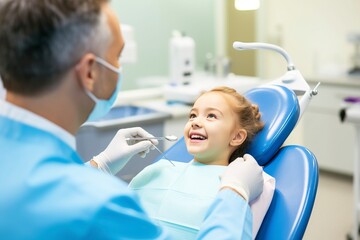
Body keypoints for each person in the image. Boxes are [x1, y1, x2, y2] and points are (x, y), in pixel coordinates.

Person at [0, 0, 264, 239]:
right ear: (91, 72)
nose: (196, 121)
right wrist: (235, 194)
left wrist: (97, 165)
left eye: (211, 116)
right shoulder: (99, 206)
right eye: (118, 56)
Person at [129, 86, 275, 239]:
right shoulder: (159, 170)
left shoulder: (239, 185)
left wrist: (237, 188)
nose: (195, 122)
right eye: (193, 115)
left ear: (237, 137)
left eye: (211, 116)